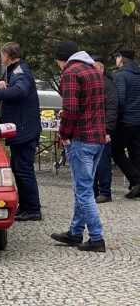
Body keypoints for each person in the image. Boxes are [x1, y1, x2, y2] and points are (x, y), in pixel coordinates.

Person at [51, 42, 106, 252]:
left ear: (60, 59)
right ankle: (75, 232)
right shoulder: (93, 70)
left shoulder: (70, 73)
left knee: (83, 190)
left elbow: (71, 109)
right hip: (98, 137)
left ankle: (96, 238)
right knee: (84, 187)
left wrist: (64, 132)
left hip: (82, 139)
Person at [0, 42, 42, 221]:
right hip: (18, 130)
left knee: (23, 169)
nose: (0, 57)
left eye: (2, 54)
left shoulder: (20, 71)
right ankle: (26, 206)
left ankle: (33, 209)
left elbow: (19, 91)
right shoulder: (11, 70)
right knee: (18, 167)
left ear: (9, 55)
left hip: (24, 130)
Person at [112, 50, 140, 198]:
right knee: (136, 153)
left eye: (116, 57)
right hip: (138, 120)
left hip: (126, 121)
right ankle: (135, 187)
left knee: (116, 151)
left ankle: (136, 181)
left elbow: (120, 101)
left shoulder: (121, 75)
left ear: (121, 58)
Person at [92, 55, 118, 203]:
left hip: (103, 128)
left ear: (101, 69)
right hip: (94, 127)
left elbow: (112, 108)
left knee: (102, 162)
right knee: (95, 161)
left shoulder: (107, 85)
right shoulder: (96, 83)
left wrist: (107, 130)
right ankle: (95, 191)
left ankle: (105, 192)